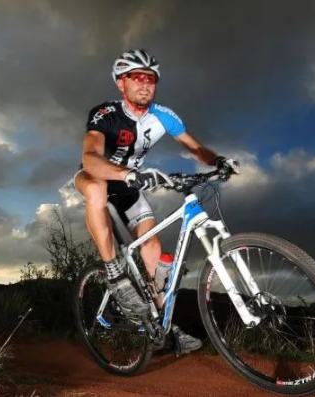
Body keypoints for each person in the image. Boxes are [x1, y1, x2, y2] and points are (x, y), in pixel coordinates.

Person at [74, 49, 239, 354]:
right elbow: (90, 158)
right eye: (137, 77)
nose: (145, 83)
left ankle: (163, 327)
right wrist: (125, 173)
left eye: (151, 78)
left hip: (129, 187)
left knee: (153, 249)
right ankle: (113, 273)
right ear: (121, 83)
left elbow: (196, 148)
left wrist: (219, 161)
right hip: (98, 175)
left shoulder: (164, 116)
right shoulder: (105, 114)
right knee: (96, 189)